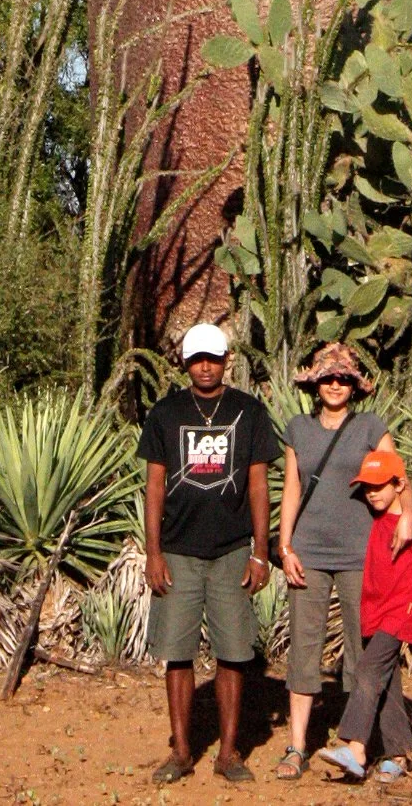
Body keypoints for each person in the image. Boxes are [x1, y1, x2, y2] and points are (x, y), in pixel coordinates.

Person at [138, 322, 279, 786]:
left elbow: (259, 485)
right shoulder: (166, 413)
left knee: (234, 653)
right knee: (177, 654)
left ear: (226, 361)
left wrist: (261, 552)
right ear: (185, 361)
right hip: (177, 551)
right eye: (197, 357)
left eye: (213, 358)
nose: (205, 365)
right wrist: (153, 551)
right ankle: (181, 751)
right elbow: (154, 486)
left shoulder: (249, 412)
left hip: (231, 551)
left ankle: (229, 752)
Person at [273, 342, 412, 782]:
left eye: (344, 378)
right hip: (308, 552)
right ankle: (297, 747)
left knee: (365, 649)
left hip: (361, 554)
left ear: (354, 386)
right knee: (304, 647)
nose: (335, 384)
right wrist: (285, 545)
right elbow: (293, 489)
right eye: (328, 378)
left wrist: (407, 520)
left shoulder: (370, 425)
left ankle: (366, 746)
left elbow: (398, 477)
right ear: (315, 384)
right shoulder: (298, 428)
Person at [314, 451, 412, 784]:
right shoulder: (377, 515)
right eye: (366, 487)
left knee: (368, 669)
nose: (372, 493)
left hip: (404, 609)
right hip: (377, 608)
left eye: (379, 486)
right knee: (387, 681)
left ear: (397, 484)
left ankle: (355, 749)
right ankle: (398, 755)